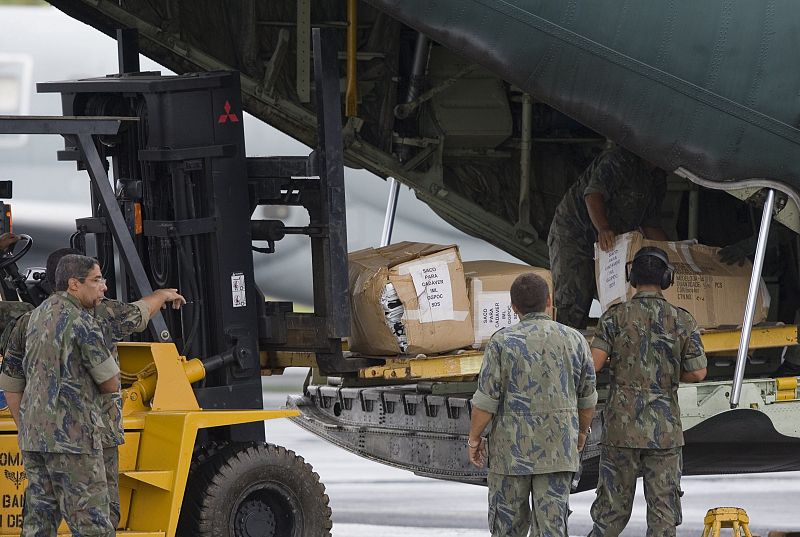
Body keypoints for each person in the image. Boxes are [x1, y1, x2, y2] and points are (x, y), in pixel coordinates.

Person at [0, 248, 185, 531]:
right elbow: (134, 319)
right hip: (88, 435)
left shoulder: (28, 320)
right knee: (99, 519)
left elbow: (11, 382)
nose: (103, 287)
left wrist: (26, 425)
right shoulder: (91, 316)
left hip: (36, 438)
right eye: (97, 279)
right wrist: (161, 296)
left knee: (39, 521)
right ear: (74, 283)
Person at [588, 247, 707, 537]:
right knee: (663, 514)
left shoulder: (614, 317)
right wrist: (665, 372)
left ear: (632, 277)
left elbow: (593, 365)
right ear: (667, 278)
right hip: (664, 431)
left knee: (611, 514)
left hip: (621, 430)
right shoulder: (682, 319)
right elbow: (698, 372)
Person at [468, 272, 597, 537]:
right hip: (557, 452)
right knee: (551, 528)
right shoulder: (575, 340)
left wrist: (474, 440)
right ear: (549, 302)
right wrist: (581, 433)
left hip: (510, 456)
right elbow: (587, 398)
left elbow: (485, 402)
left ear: (513, 307)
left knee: (507, 528)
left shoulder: (501, 342)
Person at [547, 145, 668, 329]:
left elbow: (651, 225)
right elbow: (593, 195)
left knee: (617, 301)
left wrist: (672, 254)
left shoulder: (657, 178)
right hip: (575, 235)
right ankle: (565, 351)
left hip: (612, 244)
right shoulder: (620, 159)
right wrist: (603, 228)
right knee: (573, 302)